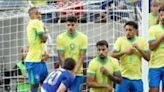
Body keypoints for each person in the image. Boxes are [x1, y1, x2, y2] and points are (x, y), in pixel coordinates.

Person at [111, 21, 150, 92]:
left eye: (130, 30)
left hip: (137, 78)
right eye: (126, 30)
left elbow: (148, 58)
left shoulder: (142, 40)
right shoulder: (120, 40)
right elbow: (112, 55)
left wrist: (139, 49)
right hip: (123, 77)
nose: (127, 32)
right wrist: (125, 52)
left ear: (136, 30)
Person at [56, 15, 88, 92]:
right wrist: (67, 71)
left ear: (76, 25)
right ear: (66, 25)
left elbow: (82, 56)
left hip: (77, 72)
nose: (70, 27)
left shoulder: (83, 37)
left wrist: (74, 71)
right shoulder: (60, 37)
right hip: (64, 72)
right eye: (68, 25)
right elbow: (61, 56)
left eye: (72, 25)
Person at [25, 7, 49, 92]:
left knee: (45, 86)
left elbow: (42, 41)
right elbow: (44, 38)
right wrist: (45, 33)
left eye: (40, 14)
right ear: (30, 15)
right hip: (33, 61)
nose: (39, 16)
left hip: (40, 60)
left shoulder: (38, 23)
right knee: (37, 86)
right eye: (36, 13)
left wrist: (45, 53)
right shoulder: (35, 22)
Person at [148, 5, 164, 92]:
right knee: (153, 90)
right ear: (159, 16)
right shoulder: (153, 29)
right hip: (155, 66)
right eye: (161, 15)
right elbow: (151, 47)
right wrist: (161, 38)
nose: (163, 17)